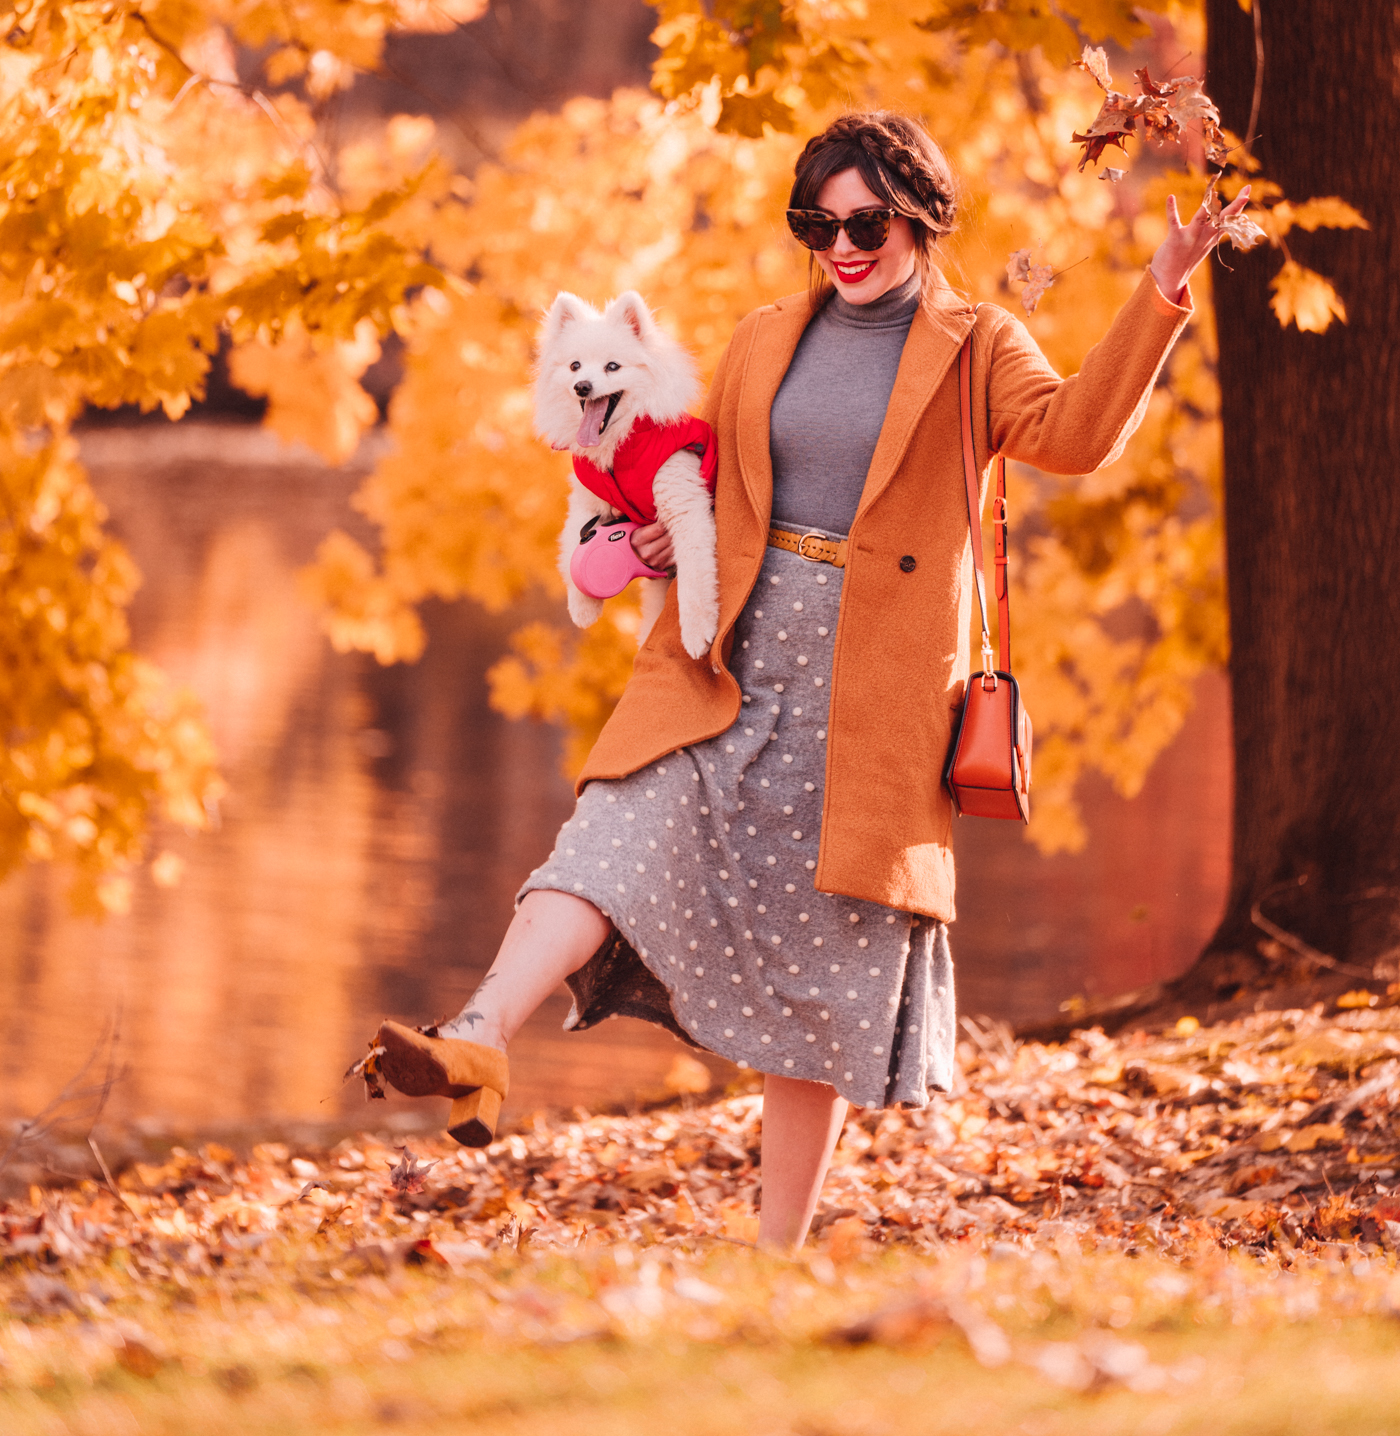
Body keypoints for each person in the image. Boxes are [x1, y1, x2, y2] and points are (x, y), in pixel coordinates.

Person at [366, 111, 1246, 1250]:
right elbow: (701, 475)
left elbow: (1075, 436)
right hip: (725, 654)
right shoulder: (764, 335)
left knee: (820, 976)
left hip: (870, 690)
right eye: (814, 222)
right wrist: (643, 528)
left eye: (864, 220)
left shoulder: (976, 344)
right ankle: (477, 1032)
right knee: (607, 833)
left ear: (917, 215)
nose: (840, 243)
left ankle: (774, 1260)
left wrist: (1161, 292)